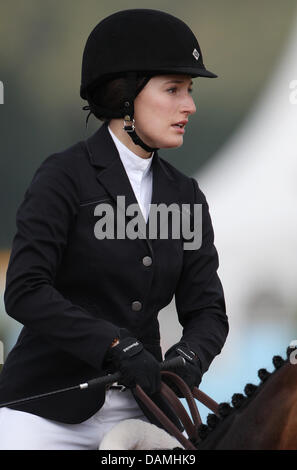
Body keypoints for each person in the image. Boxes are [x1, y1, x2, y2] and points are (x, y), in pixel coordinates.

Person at [0, 9, 229, 449]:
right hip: (47, 413)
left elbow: (208, 312)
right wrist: (113, 345)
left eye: (190, 91)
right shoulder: (62, 178)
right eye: (174, 90)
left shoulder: (186, 196)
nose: (190, 106)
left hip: (145, 410)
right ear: (126, 96)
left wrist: (188, 357)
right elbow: (25, 289)